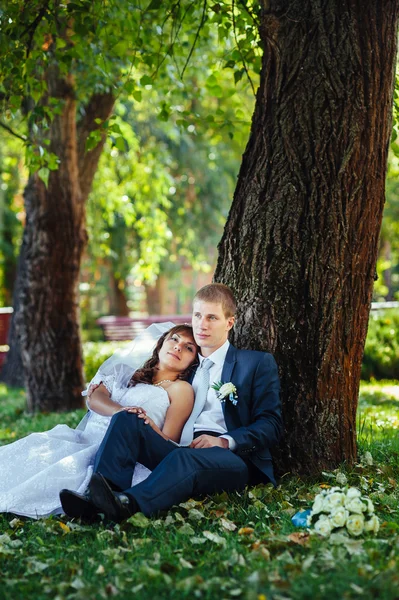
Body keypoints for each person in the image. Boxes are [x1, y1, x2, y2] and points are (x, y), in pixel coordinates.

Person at [61, 283, 283, 522]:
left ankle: (128, 504)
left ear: (229, 323)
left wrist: (224, 441)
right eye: (197, 315)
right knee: (127, 418)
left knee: (184, 458)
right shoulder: (184, 364)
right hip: (175, 447)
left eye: (212, 317)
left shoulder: (255, 363)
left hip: (229, 458)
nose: (202, 324)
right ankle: (101, 496)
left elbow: (271, 424)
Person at [0, 324, 199, 519]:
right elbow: (96, 398)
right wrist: (121, 412)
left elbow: (169, 440)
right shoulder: (125, 371)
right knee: (29, 459)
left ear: (192, 362)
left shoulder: (180, 389)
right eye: (174, 339)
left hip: (131, 451)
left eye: (188, 348)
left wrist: (142, 424)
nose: (178, 347)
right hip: (88, 438)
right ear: (161, 342)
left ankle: (93, 498)